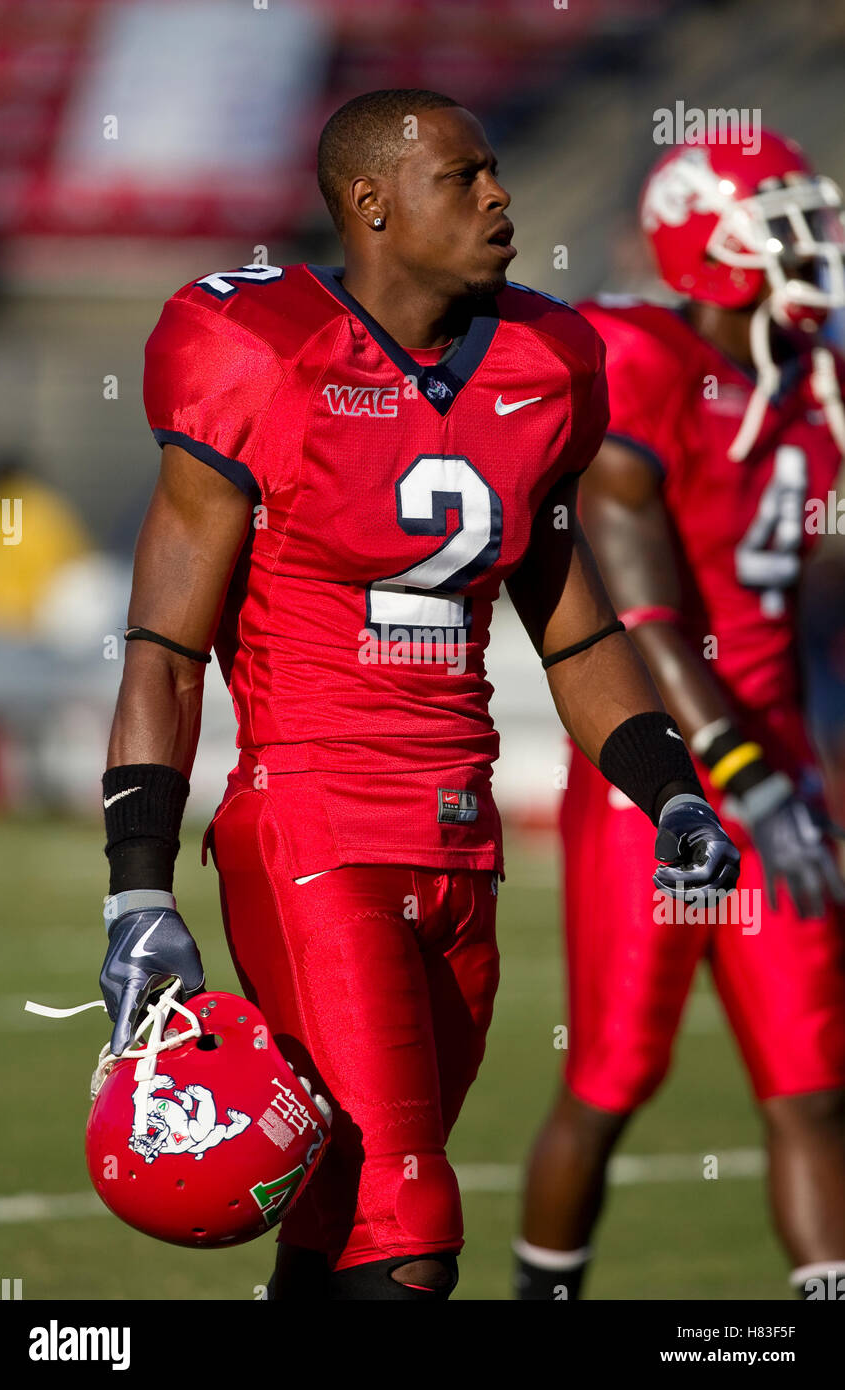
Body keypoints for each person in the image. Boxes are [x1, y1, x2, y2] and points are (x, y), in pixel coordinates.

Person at [98, 89, 737, 1301]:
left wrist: (673, 796)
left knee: (343, 1215)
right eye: (464, 176)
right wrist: (139, 887)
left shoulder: (543, 364)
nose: (501, 196)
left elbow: (575, 626)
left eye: (497, 168)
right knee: (411, 1234)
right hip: (317, 831)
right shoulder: (260, 354)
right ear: (371, 202)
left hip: (460, 839)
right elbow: (163, 653)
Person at [516, 129, 845, 1302]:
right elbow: (645, 611)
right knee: (607, 1082)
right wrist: (744, 771)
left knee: (810, 1087)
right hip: (657, 783)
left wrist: (791, 769)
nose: (814, 246)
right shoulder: (640, 361)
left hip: (777, 768)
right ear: (710, 241)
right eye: (786, 222)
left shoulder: (806, 375)